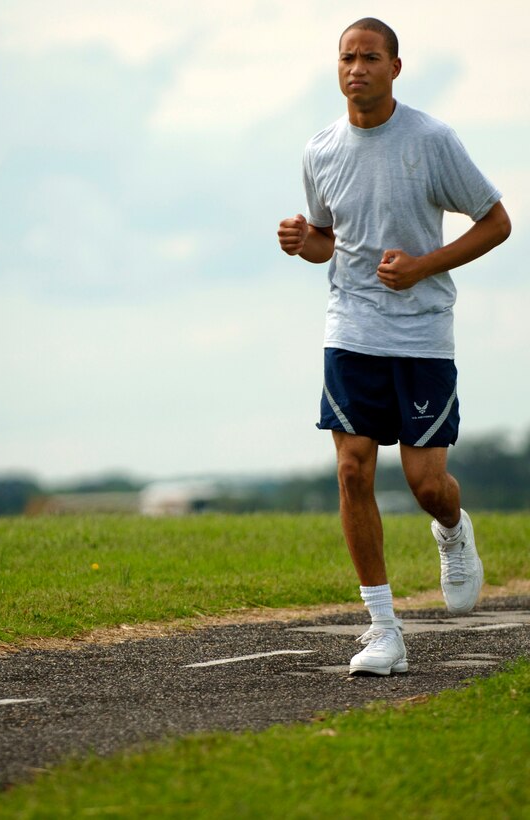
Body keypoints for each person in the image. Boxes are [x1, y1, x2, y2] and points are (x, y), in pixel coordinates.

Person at [277, 17, 511, 676]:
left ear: (395, 68)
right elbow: (329, 239)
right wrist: (304, 243)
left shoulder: (432, 141)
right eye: (348, 58)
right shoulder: (320, 150)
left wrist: (422, 266)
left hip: (422, 334)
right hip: (350, 327)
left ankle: (453, 530)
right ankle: (383, 630)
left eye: (370, 57)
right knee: (353, 468)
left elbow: (497, 223)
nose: (357, 68)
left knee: (426, 483)